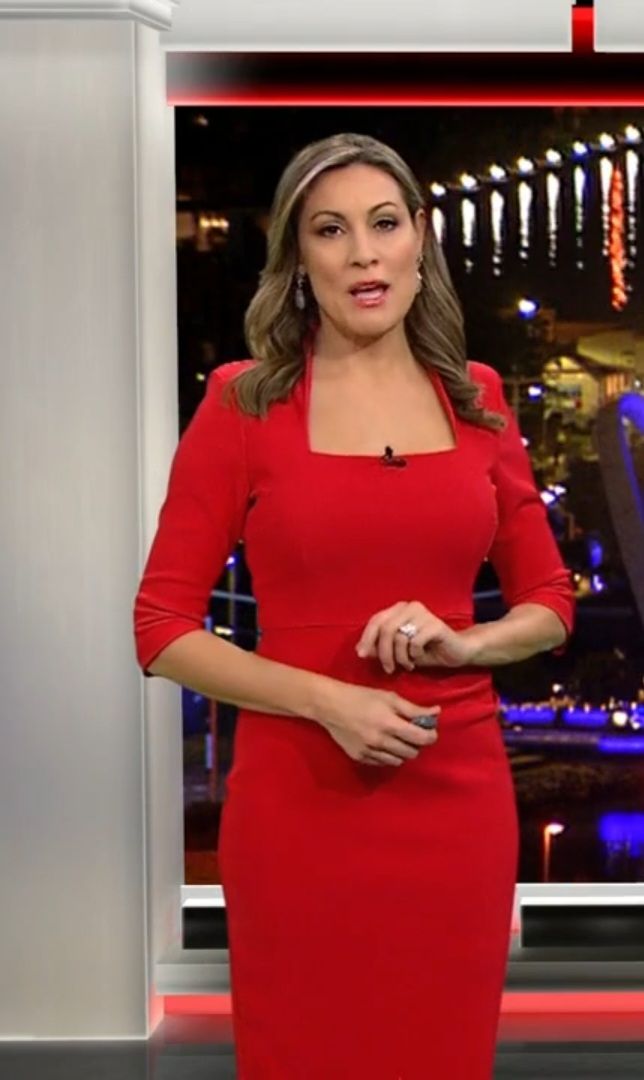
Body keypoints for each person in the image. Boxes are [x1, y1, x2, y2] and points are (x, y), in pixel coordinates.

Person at [133, 132, 575, 1079]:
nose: (364, 254)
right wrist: (330, 702)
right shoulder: (243, 404)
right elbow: (161, 629)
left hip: (456, 800)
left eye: (384, 224)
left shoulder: (477, 401)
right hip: (299, 803)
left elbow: (549, 600)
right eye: (330, 231)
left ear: (421, 237)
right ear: (298, 259)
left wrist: (466, 645)